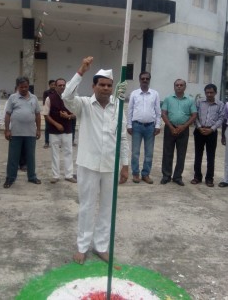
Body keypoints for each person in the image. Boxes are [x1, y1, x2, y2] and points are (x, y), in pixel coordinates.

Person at [62, 57, 129, 265]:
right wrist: (81, 70)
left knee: (107, 208)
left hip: (110, 165)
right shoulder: (83, 105)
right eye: (102, 85)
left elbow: (123, 137)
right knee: (87, 206)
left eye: (109, 85)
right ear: (94, 86)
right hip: (88, 165)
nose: (106, 88)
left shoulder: (118, 107)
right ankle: (82, 247)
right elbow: (66, 95)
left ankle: (101, 246)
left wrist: (125, 165)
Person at [3, 77, 41, 188]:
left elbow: (38, 115)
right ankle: (10, 178)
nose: (24, 89)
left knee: (30, 156)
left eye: (26, 86)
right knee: (13, 157)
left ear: (29, 86)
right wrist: (7, 130)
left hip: (30, 133)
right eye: (21, 87)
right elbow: (8, 114)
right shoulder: (12, 98)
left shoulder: (34, 98)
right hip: (15, 133)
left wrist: (38, 129)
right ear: (17, 87)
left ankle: (32, 177)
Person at [161, 79, 197, 186]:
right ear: (174, 87)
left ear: (185, 87)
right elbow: (163, 114)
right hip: (169, 128)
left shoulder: (190, 100)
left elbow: (194, 115)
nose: (179, 87)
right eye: (177, 85)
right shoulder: (168, 99)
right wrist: (171, 127)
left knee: (181, 154)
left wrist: (184, 126)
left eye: (181, 85)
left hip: (184, 130)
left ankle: (177, 177)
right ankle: (166, 176)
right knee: (167, 153)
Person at [127, 71, 161, 184]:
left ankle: (145, 174)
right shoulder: (134, 94)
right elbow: (130, 110)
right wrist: (129, 124)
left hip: (150, 127)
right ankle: (135, 174)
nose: (145, 80)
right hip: (137, 126)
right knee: (135, 152)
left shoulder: (155, 94)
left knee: (149, 153)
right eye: (143, 78)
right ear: (139, 80)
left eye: (147, 78)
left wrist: (157, 125)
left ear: (149, 80)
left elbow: (158, 111)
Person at [43, 78, 76, 184]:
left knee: (68, 152)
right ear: (55, 86)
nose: (62, 87)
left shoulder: (71, 98)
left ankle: (69, 175)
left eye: (63, 85)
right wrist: (56, 124)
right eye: (59, 85)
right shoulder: (50, 98)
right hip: (54, 130)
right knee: (55, 153)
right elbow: (46, 114)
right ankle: (55, 175)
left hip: (67, 130)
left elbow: (76, 114)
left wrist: (69, 116)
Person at [191, 84, 224, 187]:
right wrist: (199, 127)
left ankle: (209, 178)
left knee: (210, 156)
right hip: (199, 131)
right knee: (198, 155)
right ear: (205, 93)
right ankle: (197, 176)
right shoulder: (199, 102)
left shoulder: (220, 104)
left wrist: (212, 129)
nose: (209, 94)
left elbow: (221, 118)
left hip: (212, 132)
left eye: (211, 92)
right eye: (207, 92)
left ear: (215, 93)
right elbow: (195, 116)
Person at [42, 79, 56, 149]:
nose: (53, 86)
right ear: (49, 85)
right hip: (48, 113)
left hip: (55, 113)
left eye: (54, 84)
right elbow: (44, 103)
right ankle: (46, 142)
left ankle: (56, 142)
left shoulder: (57, 92)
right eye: (52, 85)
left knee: (56, 127)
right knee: (47, 128)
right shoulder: (46, 92)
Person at [219, 102, 228, 188]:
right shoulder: (227, 104)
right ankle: (226, 179)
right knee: (227, 157)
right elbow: (225, 120)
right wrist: (223, 136)